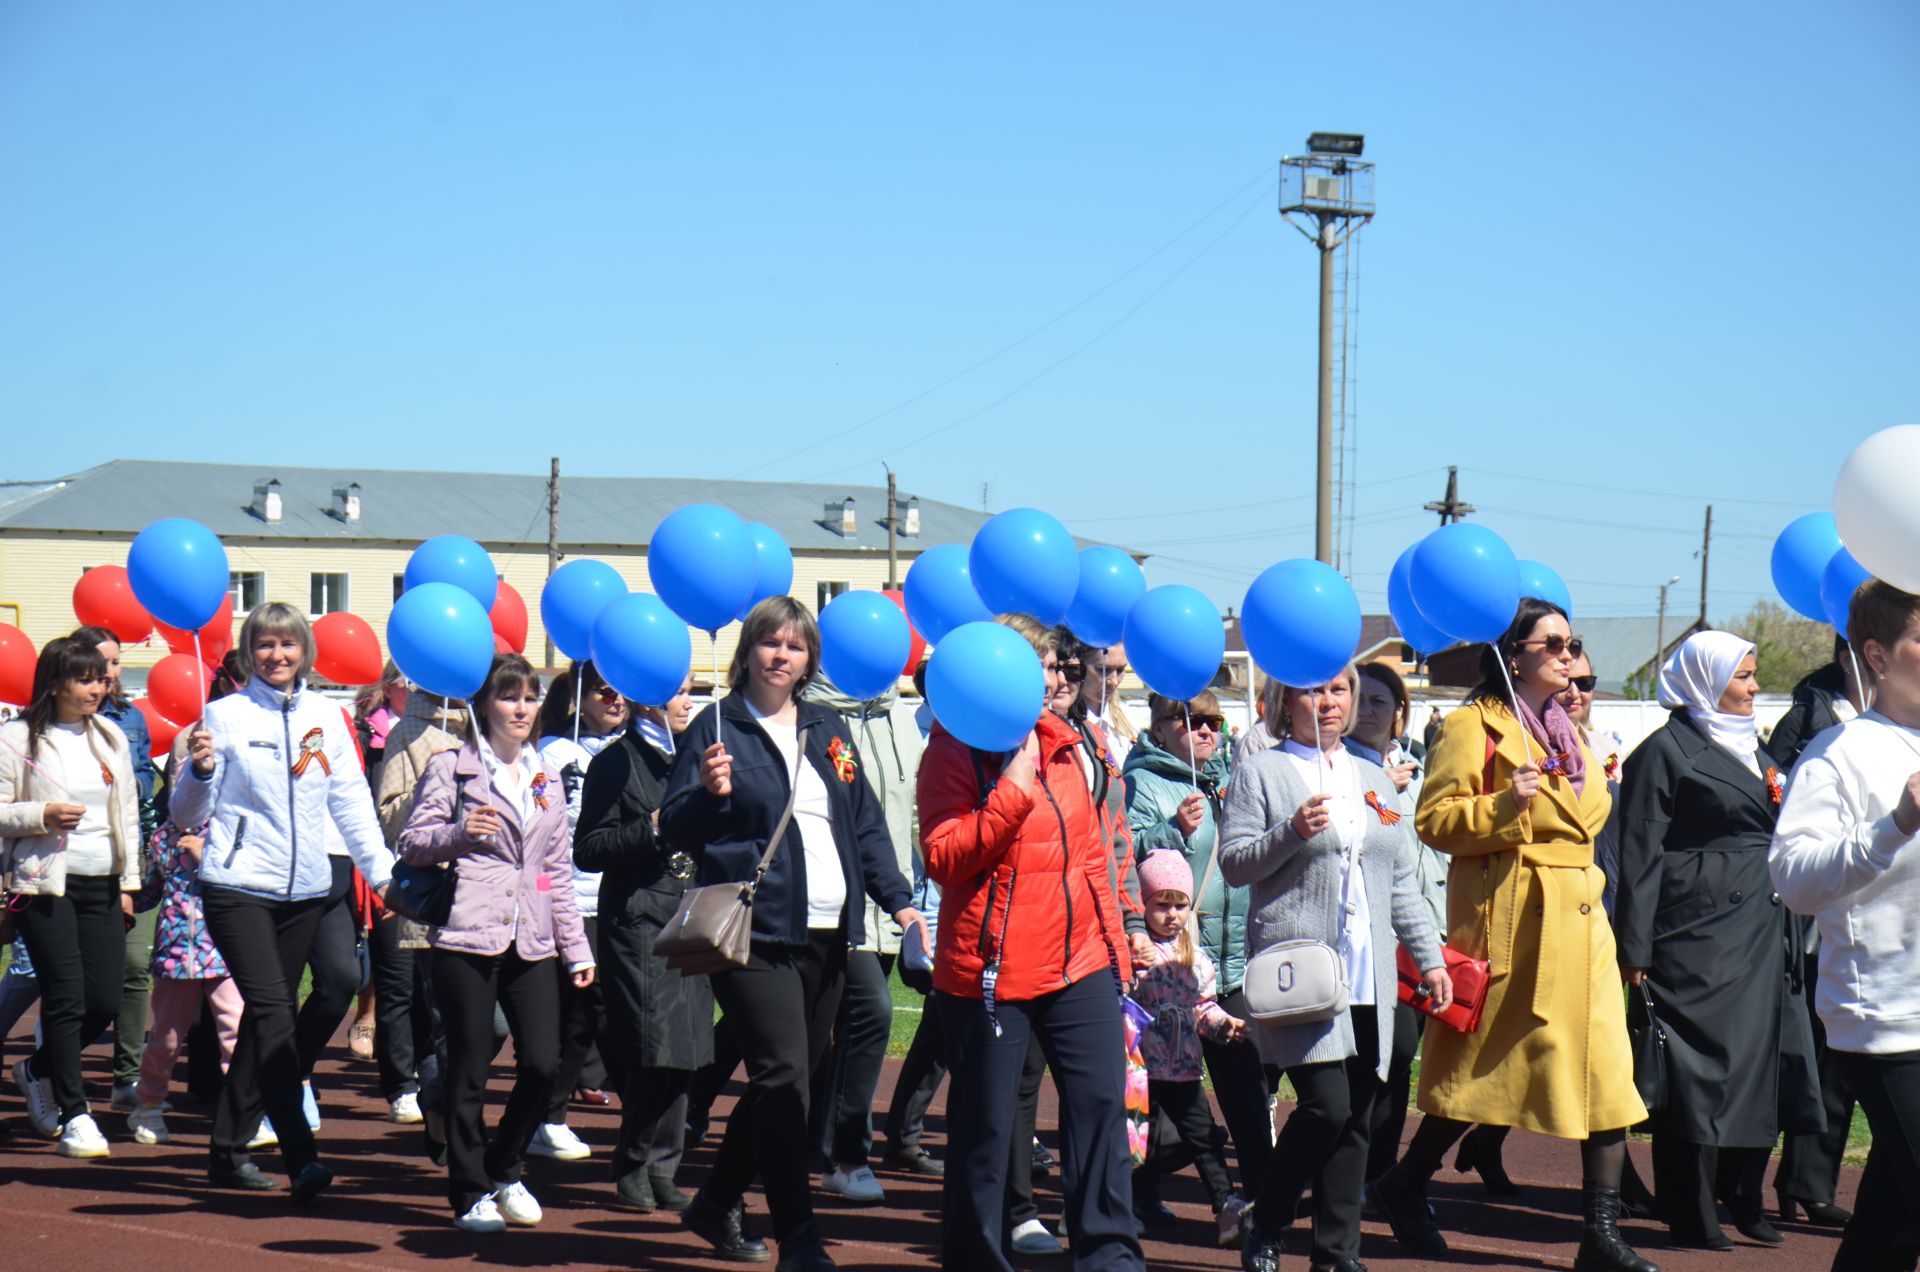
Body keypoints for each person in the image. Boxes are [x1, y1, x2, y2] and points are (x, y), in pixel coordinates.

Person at [1370, 598, 1658, 1272]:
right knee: (1484, 1073)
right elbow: (1435, 821)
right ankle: (1405, 1182)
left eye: (1571, 641)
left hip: (1583, 924)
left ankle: (1601, 1234)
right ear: (1513, 653)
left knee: (1608, 1076)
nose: (1567, 654)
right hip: (1515, 924)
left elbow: (1587, 817)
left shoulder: (1569, 733)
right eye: (1552, 642)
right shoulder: (1476, 726)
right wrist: (1507, 804)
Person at [661, 596, 920, 1272]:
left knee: (789, 1080)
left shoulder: (828, 728)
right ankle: (798, 1238)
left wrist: (900, 902)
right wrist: (707, 793)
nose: (782, 656)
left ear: (810, 659)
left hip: (831, 931)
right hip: (754, 931)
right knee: (782, 1073)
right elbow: (677, 827)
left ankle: (717, 1200)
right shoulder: (718, 725)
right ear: (747, 650)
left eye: (795, 646)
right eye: (770, 643)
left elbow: (862, 822)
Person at [919, 611, 1143, 1272]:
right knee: (986, 1129)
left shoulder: (1069, 742)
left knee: (1102, 1108)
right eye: (1036, 667)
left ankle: (1109, 1254)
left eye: (1052, 667)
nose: (1049, 679)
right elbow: (944, 856)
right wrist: (1011, 791)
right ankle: (976, 1256)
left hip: (1082, 962)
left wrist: (1116, 950)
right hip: (994, 970)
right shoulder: (955, 747)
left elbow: (1091, 860)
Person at [1219, 665, 1449, 1272]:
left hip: (1369, 971)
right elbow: (1236, 864)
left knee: (1360, 1118)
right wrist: (1291, 831)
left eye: (1338, 690)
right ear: (1285, 701)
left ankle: (1335, 1254)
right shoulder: (1262, 770)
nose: (1327, 702)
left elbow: (1400, 882)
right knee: (1327, 1106)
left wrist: (1428, 958)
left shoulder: (1376, 779)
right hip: (1302, 971)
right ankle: (1267, 1218)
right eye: (1313, 689)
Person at [172, 601, 395, 1199]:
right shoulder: (222, 716)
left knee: (264, 1028)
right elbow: (186, 814)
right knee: (272, 1014)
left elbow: (350, 802)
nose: (277, 655)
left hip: (304, 891)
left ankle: (227, 1151)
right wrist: (197, 773)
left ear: (305, 651)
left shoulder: (328, 715)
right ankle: (302, 1156)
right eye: (265, 645)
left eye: (288, 644)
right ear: (249, 652)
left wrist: (385, 877)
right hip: (237, 887)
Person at [1615, 631, 1823, 1249]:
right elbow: (1640, 852)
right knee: (1700, 1071)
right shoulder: (1664, 751)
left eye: (1754, 675)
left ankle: (1744, 1195)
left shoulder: (1753, 749)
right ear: (1705, 680)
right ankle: (1689, 1205)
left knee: (1767, 1064)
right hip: (1695, 933)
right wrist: (1635, 947)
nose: (1756, 687)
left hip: (1764, 928)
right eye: (1744, 677)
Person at [398, 652, 594, 1233]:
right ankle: (468, 1190)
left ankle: (505, 1167)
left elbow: (553, 870)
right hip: (466, 932)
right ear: (484, 704)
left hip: (531, 936)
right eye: (510, 696)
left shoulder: (544, 776)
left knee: (542, 1060)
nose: (522, 707)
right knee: (469, 1065)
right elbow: (412, 842)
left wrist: (576, 948)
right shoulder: (452, 767)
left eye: (531, 697)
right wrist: (460, 833)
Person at [1769, 579, 1920, 1269]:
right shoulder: (1839, 754)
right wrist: (1895, 825)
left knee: (1889, 1225)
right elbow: (1794, 880)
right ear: (1879, 656)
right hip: (1887, 1019)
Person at [1123, 689, 1272, 1218]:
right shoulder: (1142, 781)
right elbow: (1124, 853)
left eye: (1214, 722)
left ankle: (1260, 1203)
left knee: (1247, 1095)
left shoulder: (1232, 780)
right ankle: (1141, 1197)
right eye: (1189, 721)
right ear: (1160, 729)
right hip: (1171, 967)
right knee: (1164, 1101)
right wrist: (1172, 830)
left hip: (1230, 967)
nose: (1207, 730)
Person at [1, 636, 140, 1157]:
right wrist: (41, 816)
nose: (98, 688)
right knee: (64, 996)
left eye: (102, 679)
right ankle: (76, 1113)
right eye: (86, 679)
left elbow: (126, 812)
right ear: (57, 682)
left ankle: (36, 1070)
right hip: (44, 884)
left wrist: (129, 885)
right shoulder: (17, 738)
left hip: (103, 883)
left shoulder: (110, 736)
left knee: (103, 1000)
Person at [576, 673, 708, 1213]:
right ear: (646, 697)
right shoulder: (616, 760)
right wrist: (651, 827)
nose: (688, 701)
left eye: (693, 689)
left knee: (689, 1048)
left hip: (693, 915)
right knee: (655, 1045)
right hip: (638, 918)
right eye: (678, 691)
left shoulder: (699, 758)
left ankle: (664, 1166)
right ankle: (632, 1160)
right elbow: (589, 846)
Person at [803, 664, 925, 1205]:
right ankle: (845, 1152)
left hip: (883, 901)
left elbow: (891, 817)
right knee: (844, 1023)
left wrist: (905, 898)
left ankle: (834, 1149)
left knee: (853, 1021)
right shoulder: (809, 720)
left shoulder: (897, 717)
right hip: (815, 906)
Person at [1770, 636, 1867, 1228]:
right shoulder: (1812, 711)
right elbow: (1774, 790)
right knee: (1821, 1051)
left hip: (1880, 902)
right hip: (1817, 906)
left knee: (1842, 1058)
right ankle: (1799, 1180)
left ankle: (1807, 1180)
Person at [1347, 661, 1448, 1189]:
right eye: (1360, 700)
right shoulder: (1342, 768)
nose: (1367, 711)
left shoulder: (1416, 773)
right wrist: (1383, 789)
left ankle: (1379, 1173)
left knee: (1401, 1059)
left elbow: (1423, 860)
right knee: (1374, 1061)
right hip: (1364, 943)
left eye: (1380, 703)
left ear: (1400, 716)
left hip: (1415, 932)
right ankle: (1347, 1173)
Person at [531, 659, 627, 1160]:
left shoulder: (636, 748)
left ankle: (549, 1115)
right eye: (602, 692)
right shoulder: (554, 753)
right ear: (580, 698)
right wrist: (548, 895)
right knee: (581, 1015)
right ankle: (545, 1118)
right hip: (569, 904)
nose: (613, 701)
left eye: (619, 692)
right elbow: (544, 836)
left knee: (603, 1015)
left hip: (622, 902)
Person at [1128, 850, 1247, 1237]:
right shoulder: (1135, 955)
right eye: (1162, 905)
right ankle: (1130, 1202)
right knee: (1136, 1140)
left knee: (1204, 1138)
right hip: (1141, 1068)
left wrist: (1223, 1025)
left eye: (1180, 905)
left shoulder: (1197, 960)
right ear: (1142, 905)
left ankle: (1226, 1206)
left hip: (1183, 1069)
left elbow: (1202, 1008)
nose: (1172, 914)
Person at [373, 684, 470, 1134]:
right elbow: (390, 815)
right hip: (433, 893)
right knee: (429, 1003)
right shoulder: (407, 733)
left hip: (485, 896)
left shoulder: (487, 731)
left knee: (486, 1022)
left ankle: (442, 1095)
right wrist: (434, 784)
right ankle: (420, 1092)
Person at [71, 626, 159, 1115]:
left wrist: (128, 785)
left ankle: (126, 1077)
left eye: (116, 662)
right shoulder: (47, 723)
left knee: (131, 967)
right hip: (69, 863)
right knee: (51, 977)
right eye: (98, 661)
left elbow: (144, 777)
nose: (108, 673)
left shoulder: (130, 718)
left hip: (127, 861)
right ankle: (53, 1068)